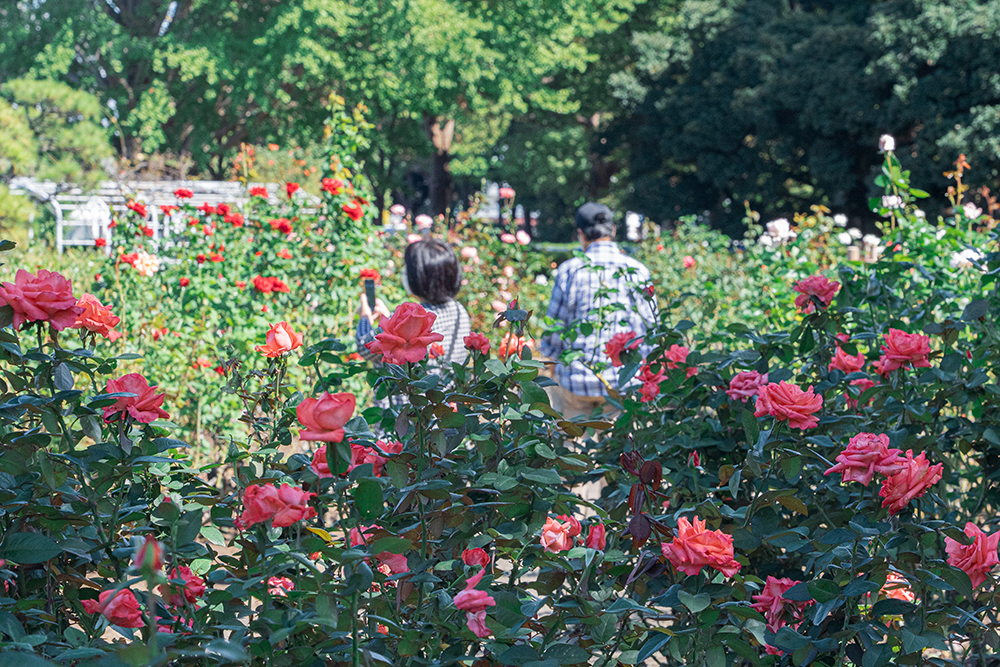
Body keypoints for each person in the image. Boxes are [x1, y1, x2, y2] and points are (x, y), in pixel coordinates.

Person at [539, 202, 655, 418]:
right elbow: (649, 330)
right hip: (621, 384)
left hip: (575, 382)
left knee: (572, 447)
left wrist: (555, 365)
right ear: (613, 230)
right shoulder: (638, 271)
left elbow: (553, 330)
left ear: (580, 234)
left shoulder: (569, 270)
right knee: (617, 449)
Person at [356, 238, 471, 366]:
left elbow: (364, 347)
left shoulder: (416, 315)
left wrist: (365, 317)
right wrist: (392, 323)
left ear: (419, 277)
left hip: (415, 386)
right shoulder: (460, 310)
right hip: (450, 385)